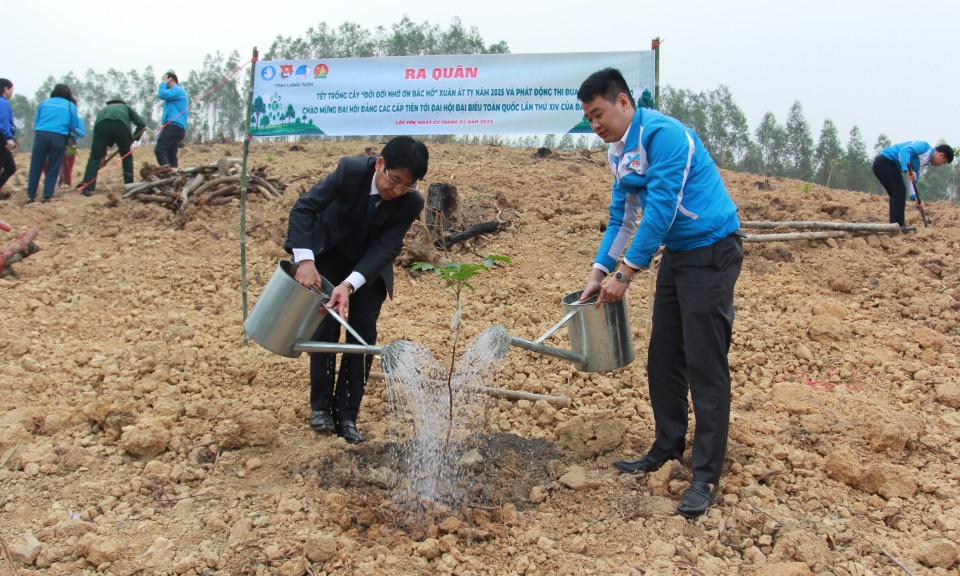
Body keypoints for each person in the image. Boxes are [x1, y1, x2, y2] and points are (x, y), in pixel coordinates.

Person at [576, 68, 743, 519]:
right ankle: (667, 448)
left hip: (710, 250)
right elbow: (623, 216)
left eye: (599, 114)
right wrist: (600, 269)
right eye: (588, 119)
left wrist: (626, 273)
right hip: (678, 254)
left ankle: (705, 476)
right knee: (664, 356)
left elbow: (663, 208)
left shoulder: (666, 137)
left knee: (705, 364)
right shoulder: (618, 152)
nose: (596, 125)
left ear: (624, 102)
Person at [284, 136, 428, 444]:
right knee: (325, 327)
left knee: (362, 337)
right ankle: (321, 409)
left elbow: (387, 247)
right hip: (330, 256)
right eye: (395, 180)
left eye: (408, 185)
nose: (398, 190)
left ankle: (347, 416)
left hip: (368, 271)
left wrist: (350, 284)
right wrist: (306, 262)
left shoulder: (412, 201)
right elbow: (304, 209)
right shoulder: (350, 171)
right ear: (380, 164)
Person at [872, 141, 954, 233]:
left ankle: (894, 226)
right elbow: (904, 151)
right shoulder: (924, 146)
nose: (940, 165)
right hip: (885, 161)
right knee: (899, 191)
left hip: (884, 165)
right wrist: (907, 170)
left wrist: (916, 199)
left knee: (896, 192)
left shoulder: (921, 163)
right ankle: (898, 225)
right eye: (943, 162)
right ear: (942, 155)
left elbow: (912, 180)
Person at [27, 84, 85, 203]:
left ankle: (31, 195)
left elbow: (37, 121)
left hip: (41, 135)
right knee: (53, 167)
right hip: (58, 137)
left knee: (36, 166)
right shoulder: (70, 106)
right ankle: (47, 195)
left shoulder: (44, 103)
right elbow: (73, 126)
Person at [79, 97, 147, 196]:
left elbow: (99, 134)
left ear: (109, 103)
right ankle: (129, 186)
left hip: (101, 127)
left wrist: (101, 155)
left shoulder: (103, 110)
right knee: (126, 156)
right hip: (121, 126)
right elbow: (141, 124)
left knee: (94, 158)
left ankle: (87, 188)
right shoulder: (126, 108)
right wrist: (132, 139)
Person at [155, 71, 188, 167]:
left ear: (171, 80)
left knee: (160, 150)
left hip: (174, 126)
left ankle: (168, 174)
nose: (164, 84)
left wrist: (162, 83)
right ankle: (175, 176)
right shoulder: (175, 93)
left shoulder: (177, 90)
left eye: (165, 80)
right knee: (171, 154)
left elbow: (162, 94)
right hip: (177, 127)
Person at [0, 78, 16, 201]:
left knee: (10, 166)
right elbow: (4, 122)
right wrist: (9, 139)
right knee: (9, 167)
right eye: (11, 89)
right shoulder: (3, 103)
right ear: (6, 89)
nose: (12, 92)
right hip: (2, 138)